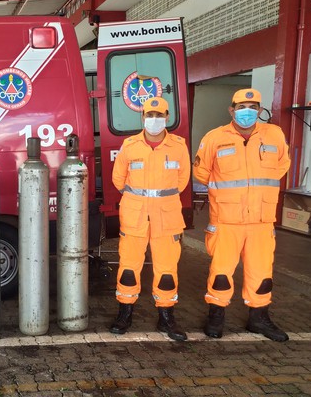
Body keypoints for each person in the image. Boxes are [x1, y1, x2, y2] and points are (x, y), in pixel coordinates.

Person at [193, 88, 291, 342]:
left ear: (259, 110)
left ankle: (259, 318)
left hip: (261, 219)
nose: (247, 111)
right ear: (231, 110)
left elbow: (282, 165)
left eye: (252, 106)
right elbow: (201, 172)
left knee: (261, 272)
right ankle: (216, 316)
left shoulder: (275, 135)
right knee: (221, 271)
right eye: (241, 107)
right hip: (226, 219)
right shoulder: (214, 138)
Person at [110, 97, 190, 341]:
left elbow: (182, 180)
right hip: (135, 216)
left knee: (166, 269)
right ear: (142, 117)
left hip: (167, 217)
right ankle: (125, 313)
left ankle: (166, 318)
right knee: (128, 268)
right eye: (149, 115)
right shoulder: (130, 145)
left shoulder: (178, 146)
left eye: (159, 115)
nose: (154, 120)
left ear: (168, 117)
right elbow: (118, 179)